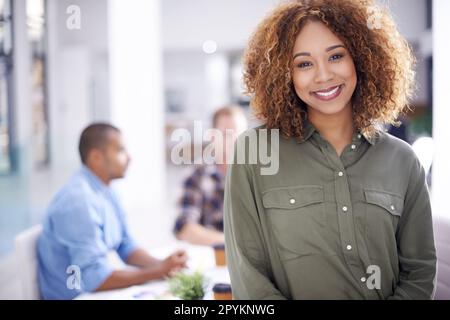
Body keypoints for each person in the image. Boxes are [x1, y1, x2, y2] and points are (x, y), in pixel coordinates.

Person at [224, 0, 436, 300]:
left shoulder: (402, 161)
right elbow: (248, 275)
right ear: (285, 75)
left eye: (336, 56)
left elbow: (420, 272)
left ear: (362, 59)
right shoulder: (253, 152)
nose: (323, 75)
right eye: (304, 63)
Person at [38, 123, 187, 299]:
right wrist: (158, 272)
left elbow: (126, 246)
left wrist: (164, 264)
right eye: (120, 150)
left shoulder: (106, 190)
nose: (129, 157)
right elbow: (95, 280)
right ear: (96, 157)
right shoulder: (78, 201)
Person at [174, 106, 247, 245]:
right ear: (213, 137)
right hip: (213, 258)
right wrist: (234, 245)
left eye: (240, 133)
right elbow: (185, 228)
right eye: (227, 134)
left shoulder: (258, 174)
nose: (235, 139)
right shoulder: (196, 176)